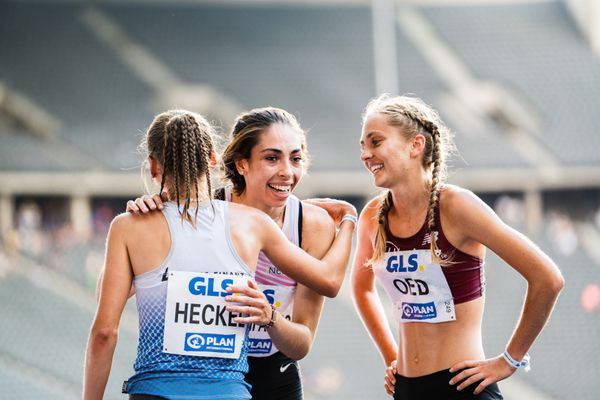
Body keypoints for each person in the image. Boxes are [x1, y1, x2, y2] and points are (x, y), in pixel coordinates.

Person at [83, 109, 357, 400]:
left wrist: (270, 317)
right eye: (271, 158)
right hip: (226, 385)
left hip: (258, 375)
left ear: (153, 166)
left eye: (296, 158)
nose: (286, 172)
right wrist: (161, 208)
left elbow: (326, 287)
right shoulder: (238, 219)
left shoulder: (305, 225)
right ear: (232, 163)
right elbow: (111, 298)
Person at [351, 94, 564, 399]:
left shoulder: (456, 206)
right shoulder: (373, 217)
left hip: (463, 387)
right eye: (362, 145)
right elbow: (361, 289)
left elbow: (548, 278)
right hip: (407, 389)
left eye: (375, 142)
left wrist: (510, 360)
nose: (365, 154)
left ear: (416, 145)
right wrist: (391, 356)